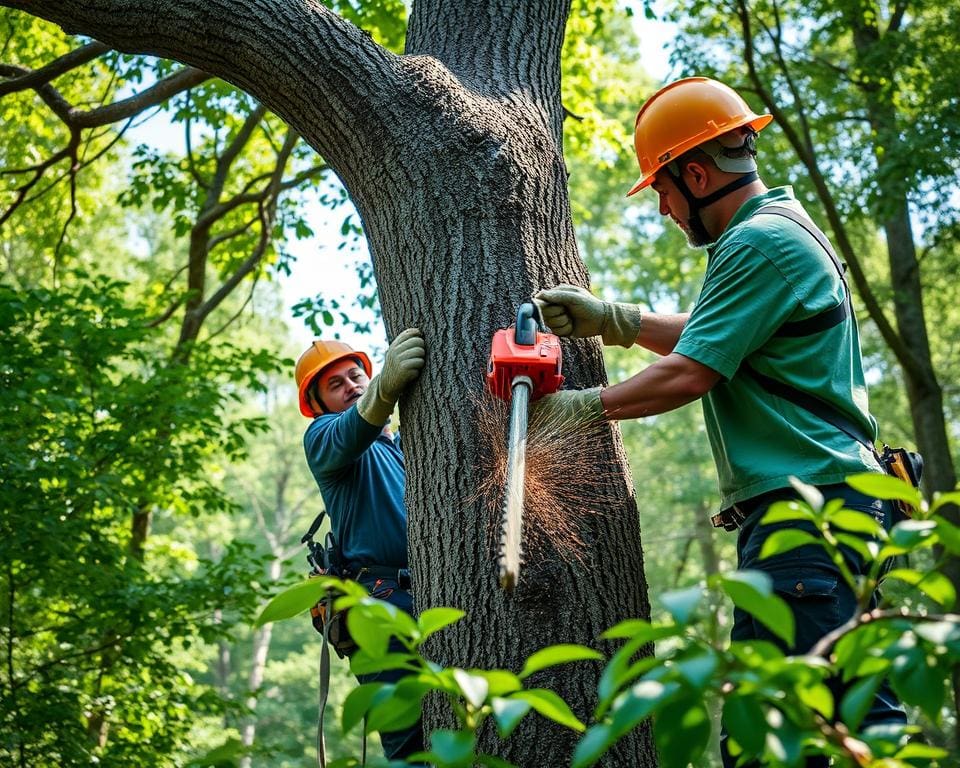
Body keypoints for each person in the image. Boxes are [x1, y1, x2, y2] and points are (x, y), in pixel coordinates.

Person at [533, 77, 905, 766]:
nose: (668, 210)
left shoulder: (756, 244)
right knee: (857, 720)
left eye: (666, 192)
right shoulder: (780, 230)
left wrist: (575, 412)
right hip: (839, 508)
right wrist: (615, 321)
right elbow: (718, 336)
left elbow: (694, 369)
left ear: (697, 173)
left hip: (805, 517)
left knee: (770, 735)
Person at [294, 328, 426, 762]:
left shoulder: (407, 448)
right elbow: (354, 428)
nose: (351, 386)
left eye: (357, 376)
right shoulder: (325, 438)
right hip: (380, 607)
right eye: (336, 384)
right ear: (318, 405)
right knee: (407, 742)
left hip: (439, 590)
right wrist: (384, 388)